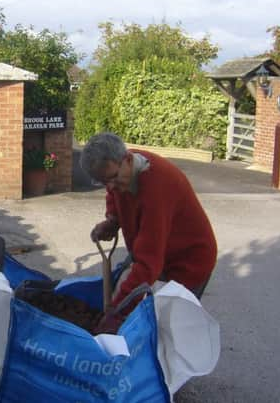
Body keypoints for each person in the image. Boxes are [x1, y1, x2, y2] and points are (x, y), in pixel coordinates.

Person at [81, 132, 217, 331]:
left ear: (127, 160)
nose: (110, 187)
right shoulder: (121, 167)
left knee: (168, 329)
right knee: (136, 304)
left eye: (112, 179)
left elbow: (148, 264)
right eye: (103, 182)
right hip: (156, 252)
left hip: (188, 261)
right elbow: (114, 194)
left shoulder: (157, 188)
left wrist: (117, 313)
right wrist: (113, 220)